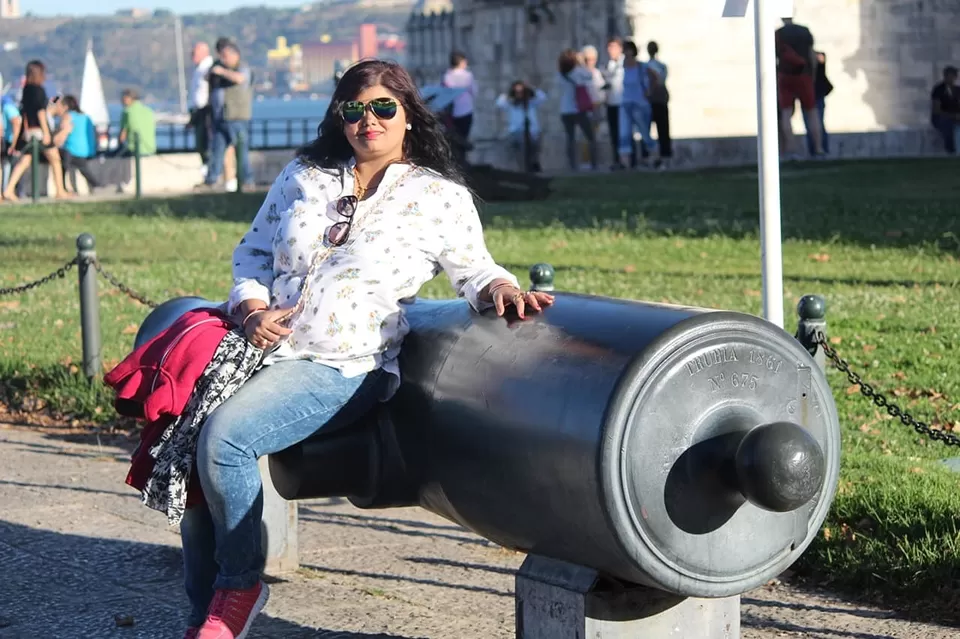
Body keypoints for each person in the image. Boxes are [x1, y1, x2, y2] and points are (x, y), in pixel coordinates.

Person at [177, 59, 554, 639]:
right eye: (353, 109)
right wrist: (251, 308)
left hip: (346, 364)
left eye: (383, 108)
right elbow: (252, 253)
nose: (368, 120)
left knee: (225, 439)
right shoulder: (304, 175)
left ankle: (238, 587)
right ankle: (202, 613)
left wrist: (502, 290)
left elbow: (475, 269)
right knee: (193, 452)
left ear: (409, 115)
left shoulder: (439, 195)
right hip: (258, 350)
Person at [2, 60, 71, 201]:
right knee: (55, 159)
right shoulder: (39, 90)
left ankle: (8, 190)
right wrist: (46, 133)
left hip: (29, 130)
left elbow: (25, 112)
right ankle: (60, 190)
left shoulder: (26, 90)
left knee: (25, 161)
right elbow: (41, 112)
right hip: (39, 130)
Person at [198, 41, 253, 191]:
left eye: (225, 56)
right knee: (216, 150)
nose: (223, 60)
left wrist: (222, 72)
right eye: (221, 56)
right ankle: (211, 180)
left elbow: (240, 78)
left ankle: (246, 180)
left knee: (241, 151)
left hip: (236, 117)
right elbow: (205, 78)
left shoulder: (242, 68)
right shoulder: (217, 69)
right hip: (220, 117)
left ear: (236, 55)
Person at [775, 17, 824, 158]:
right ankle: (818, 148)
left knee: (786, 114)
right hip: (804, 76)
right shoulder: (804, 31)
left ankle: (791, 149)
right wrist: (812, 75)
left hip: (785, 76)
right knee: (812, 112)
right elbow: (811, 54)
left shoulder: (779, 34)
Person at [617, 40, 659, 169]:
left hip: (639, 104)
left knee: (644, 133)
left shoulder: (641, 66)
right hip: (625, 104)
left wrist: (649, 92)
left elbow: (655, 77)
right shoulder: (621, 67)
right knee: (624, 133)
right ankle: (625, 163)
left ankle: (655, 157)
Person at [557, 48, 598, 171]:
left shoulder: (560, 75)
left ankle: (572, 165)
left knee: (570, 138)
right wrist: (581, 62)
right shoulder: (578, 72)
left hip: (565, 110)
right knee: (590, 137)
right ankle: (594, 164)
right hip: (578, 110)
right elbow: (590, 75)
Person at [51, 95, 101, 193]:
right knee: (82, 167)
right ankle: (97, 185)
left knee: (59, 162)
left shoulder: (67, 116)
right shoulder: (86, 116)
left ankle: (62, 188)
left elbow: (59, 138)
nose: (57, 109)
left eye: (59, 106)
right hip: (88, 150)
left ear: (65, 107)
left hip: (72, 151)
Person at [495, 81, 547, 171]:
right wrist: (509, 93)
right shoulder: (511, 104)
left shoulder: (531, 102)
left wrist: (530, 88)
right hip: (517, 132)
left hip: (532, 131)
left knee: (535, 143)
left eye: (521, 92)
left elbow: (542, 97)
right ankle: (527, 166)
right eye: (517, 92)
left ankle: (533, 163)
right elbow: (499, 103)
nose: (519, 94)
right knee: (523, 145)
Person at [188, 42, 214, 176]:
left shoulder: (208, 68)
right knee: (201, 144)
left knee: (207, 143)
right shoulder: (199, 69)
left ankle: (210, 172)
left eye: (195, 53)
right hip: (198, 111)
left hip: (206, 111)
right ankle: (207, 171)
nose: (192, 56)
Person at [645, 41, 672, 169]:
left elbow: (658, 81)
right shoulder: (659, 66)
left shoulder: (654, 66)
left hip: (656, 100)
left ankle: (661, 157)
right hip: (655, 100)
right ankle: (657, 157)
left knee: (662, 129)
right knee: (657, 130)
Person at [442, 51, 476, 142]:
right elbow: (474, 91)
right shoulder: (468, 75)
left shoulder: (447, 76)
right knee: (464, 138)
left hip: (452, 113)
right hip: (466, 110)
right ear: (461, 62)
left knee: (454, 139)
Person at [119, 89, 157, 156]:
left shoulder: (127, 112)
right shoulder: (149, 111)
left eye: (123, 99)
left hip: (134, 150)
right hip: (151, 150)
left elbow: (122, 137)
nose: (121, 101)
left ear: (129, 99)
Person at [931, 66, 959, 155]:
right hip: (941, 118)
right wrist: (952, 116)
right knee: (948, 126)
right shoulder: (938, 90)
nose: (951, 78)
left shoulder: (957, 90)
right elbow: (936, 110)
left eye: (953, 76)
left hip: (956, 117)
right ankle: (951, 151)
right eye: (949, 76)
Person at [1, 93, 22, 198]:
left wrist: (14, 144)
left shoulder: (7, 107)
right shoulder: (7, 106)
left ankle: (8, 192)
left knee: (8, 167)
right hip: (10, 141)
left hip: (10, 141)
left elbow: (16, 123)